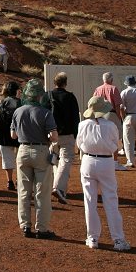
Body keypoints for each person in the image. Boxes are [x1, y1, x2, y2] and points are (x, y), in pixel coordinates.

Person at [76, 96, 131, 251]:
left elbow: (79, 144)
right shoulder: (110, 125)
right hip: (106, 162)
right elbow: (116, 145)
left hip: (88, 161)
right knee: (111, 200)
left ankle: (92, 238)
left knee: (89, 201)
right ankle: (118, 239)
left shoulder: (83, 125)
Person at [10, 80, 58, 239]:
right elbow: (54, 136)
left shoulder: (18, 111)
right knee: (42, 192)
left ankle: (25, 226)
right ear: (39, 95)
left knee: (23, 191)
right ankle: (42, 228)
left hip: (22, 150)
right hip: (41, 151)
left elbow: (13, 135)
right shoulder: (45, 113)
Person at [50, 72, 80, 204]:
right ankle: (59, 188)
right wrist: (76, 134)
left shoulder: (48, 95)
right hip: (67, 134)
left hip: (51, 134)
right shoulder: (70, 97)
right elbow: (75, 118)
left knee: (55, 161)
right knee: (66, 160)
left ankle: (58, 185)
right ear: (65, 83)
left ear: (54, 82)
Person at [0, 81, 22, 190]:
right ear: (16, 91)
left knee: (7, 159)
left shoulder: (2, 102)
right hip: (19, 134)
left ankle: (9, 181)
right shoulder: (21, 102)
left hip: (4, 134)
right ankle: (19, 180)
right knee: (20, 159)